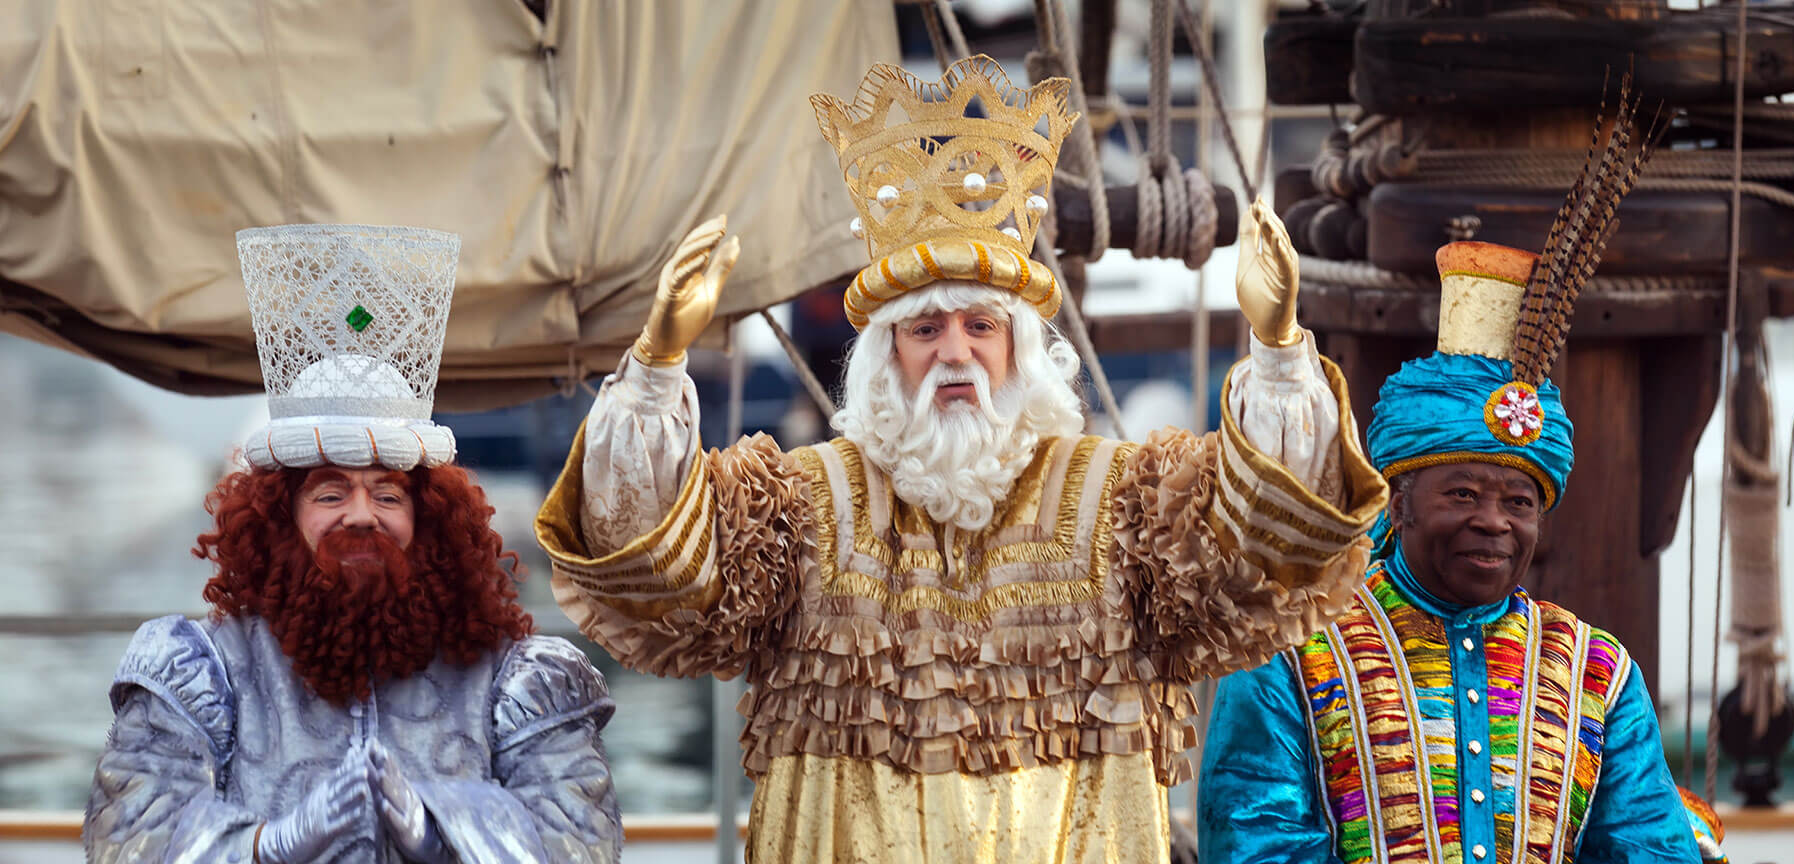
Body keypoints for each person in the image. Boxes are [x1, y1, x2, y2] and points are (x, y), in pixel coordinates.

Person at [534, 55, 1388, 863]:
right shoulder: (800, 506)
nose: (955, 353)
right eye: (925, 328)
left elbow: (1268, 553)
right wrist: (654, 367)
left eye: (981, 327)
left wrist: (1278, 352)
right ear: (885, 353)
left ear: (1020, 349)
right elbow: (651, 576)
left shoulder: (1125, 502)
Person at [83, 224, 621, 863]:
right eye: (331, 494)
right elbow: (126, 842)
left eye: (388, 495)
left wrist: (442, 831)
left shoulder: (515, 680)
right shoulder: (202, 672)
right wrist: (266, 845)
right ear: (281, 519)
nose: (362, 516)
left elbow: (583, 845)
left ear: (431, 520)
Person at [1197, 237, 1705, 861]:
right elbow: (1252, 844)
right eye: (1462, 494)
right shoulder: (1293, 650)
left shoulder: (1598, 674)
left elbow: (1651, 848)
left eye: (1519, 503)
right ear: (1398, 503)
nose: (1493, 522)